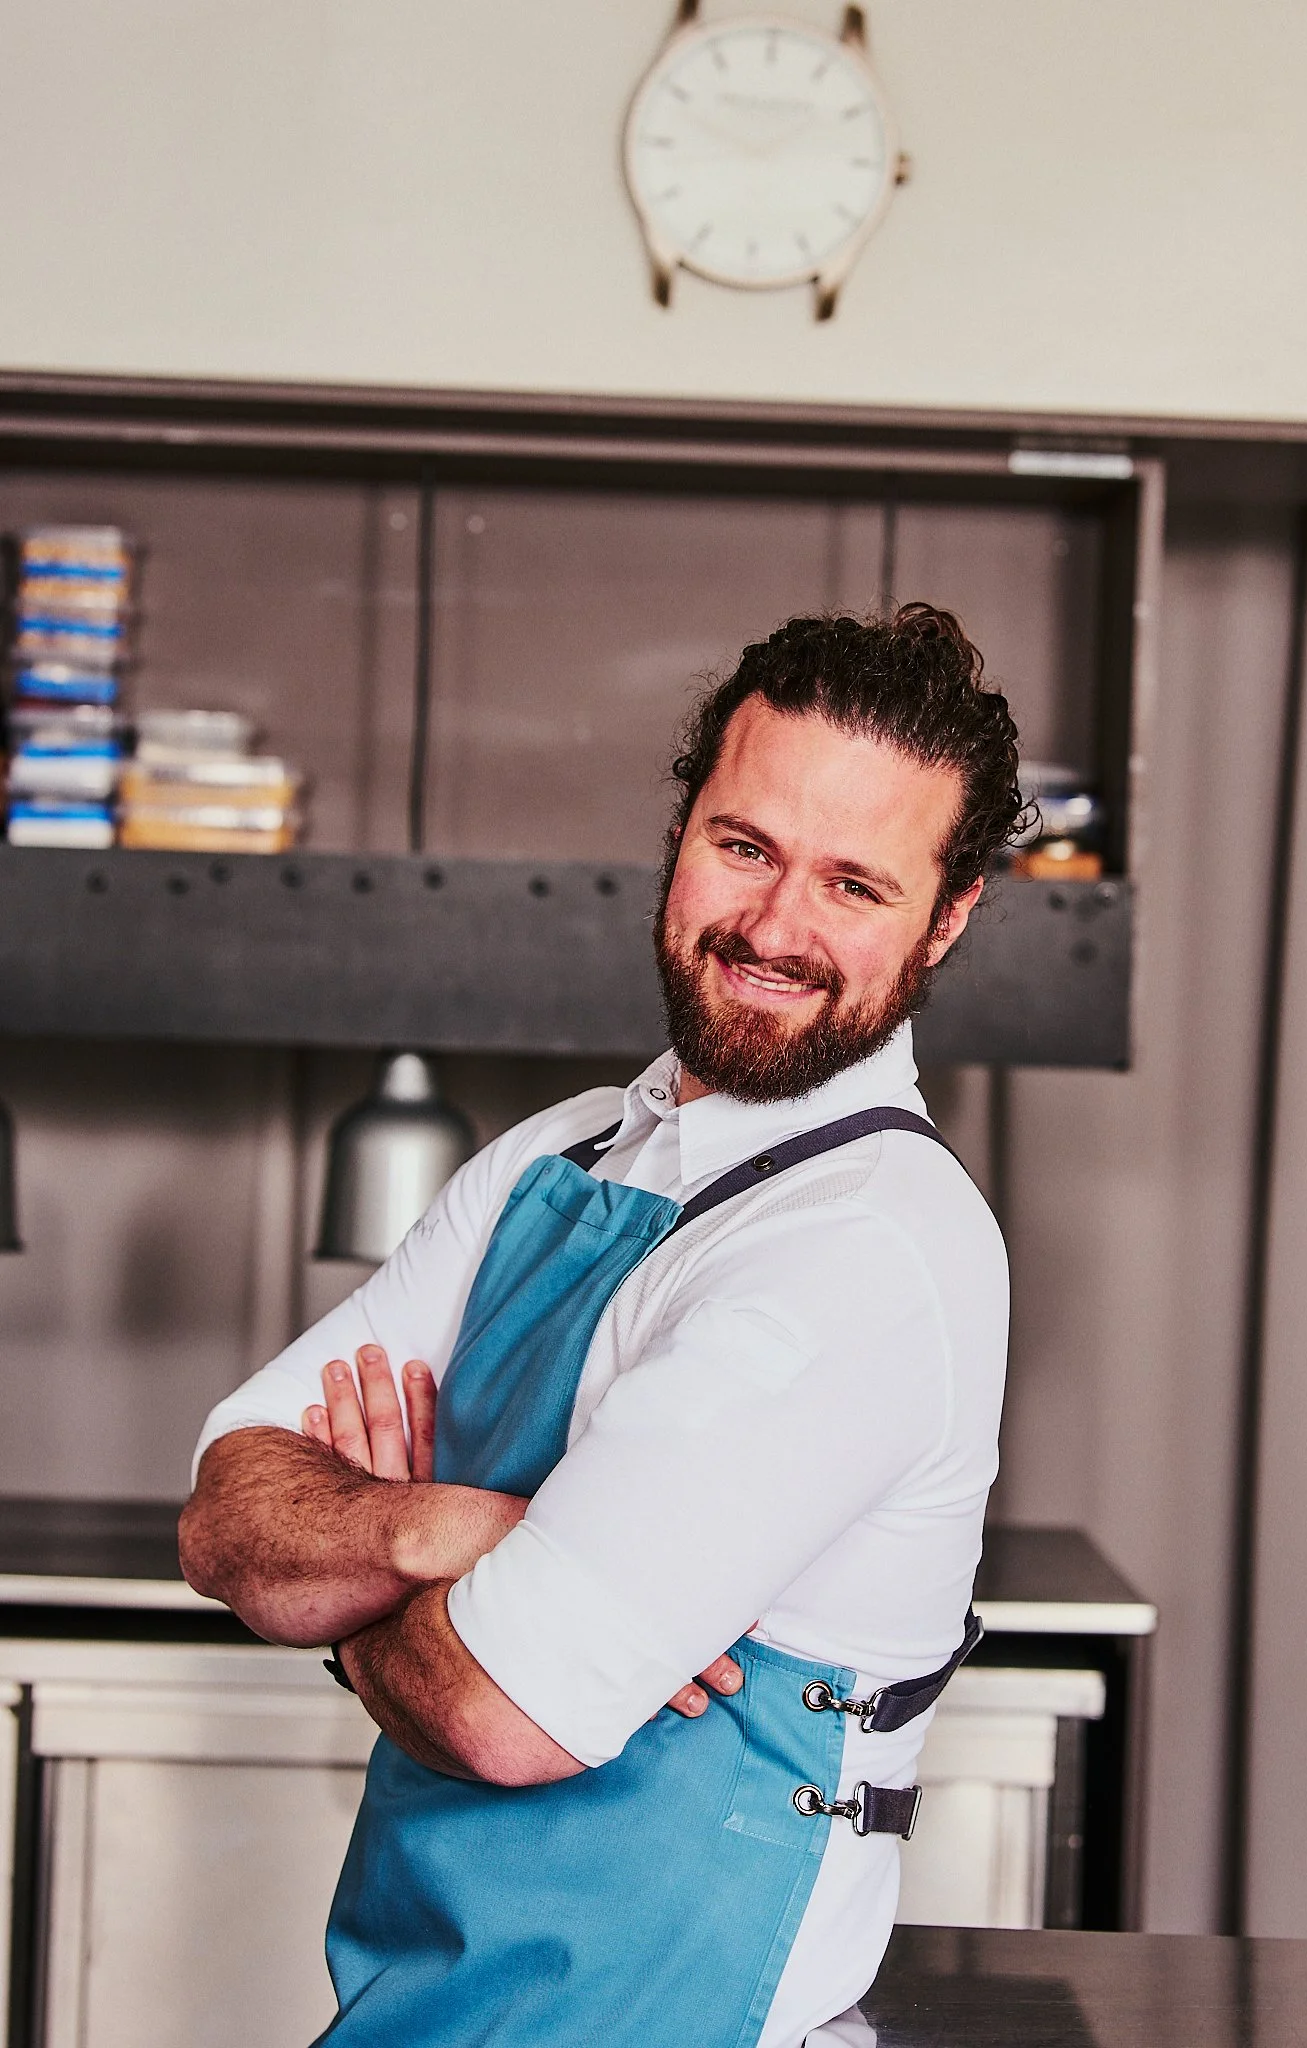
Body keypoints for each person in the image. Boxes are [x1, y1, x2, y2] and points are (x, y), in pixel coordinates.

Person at [180, 603, 1021, 2048]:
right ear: (683, 824)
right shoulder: (556, 1158)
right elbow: (219, 1516)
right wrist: (438, 1535)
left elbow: (503, 1714)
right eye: (743, 847)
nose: (771, 926)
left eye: (854, 885)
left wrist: (351, 1590)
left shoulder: (866, 1244)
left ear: (947, 916)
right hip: (416, 2010)